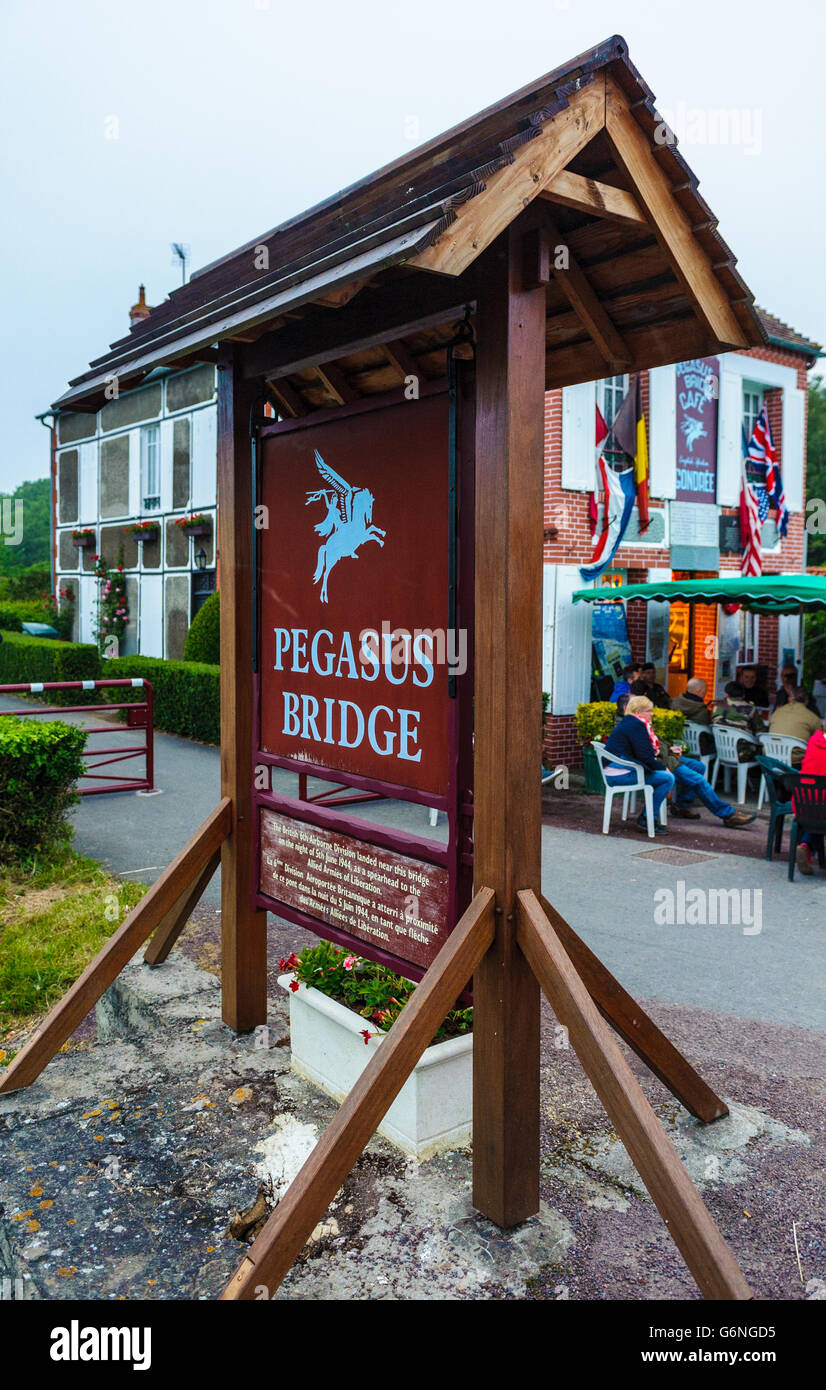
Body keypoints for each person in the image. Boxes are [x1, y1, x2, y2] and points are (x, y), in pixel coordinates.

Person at [604, 694, 674, 834]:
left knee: (662, 776)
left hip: (615, 771)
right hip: (620, 774)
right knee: (668, 778)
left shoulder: (628, 722)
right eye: (648, 710)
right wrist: (664, 768)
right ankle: (647, 819)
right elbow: (645, 757)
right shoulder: (637, 725)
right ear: (638, 712)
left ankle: (647, 817)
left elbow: (642, 756)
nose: (652, 714)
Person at [794, 727, 826, 875]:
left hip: (803, 803)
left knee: (817, 812)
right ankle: (808, 847)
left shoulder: (814, 741)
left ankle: (806, 845)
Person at [769, 686, 824, 766]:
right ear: (806, 701)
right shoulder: (812, 717)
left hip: (771, 758)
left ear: (789, 699)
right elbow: (819, 742)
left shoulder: (776, 713)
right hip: (796, 762)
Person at [712, 681, 764, 761]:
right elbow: (760, 730)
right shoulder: (750, 709)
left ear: (727, 694)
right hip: (741, 752)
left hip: (720, 749)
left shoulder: (716, 706)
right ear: (743, 695)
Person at [671, 676, 714, 756]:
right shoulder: (702, 711)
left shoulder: (674, 703)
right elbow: (709, 730)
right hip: (700, 747)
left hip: (679, 743)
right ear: (698, 691)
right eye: (705, 691)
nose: (705, 693)